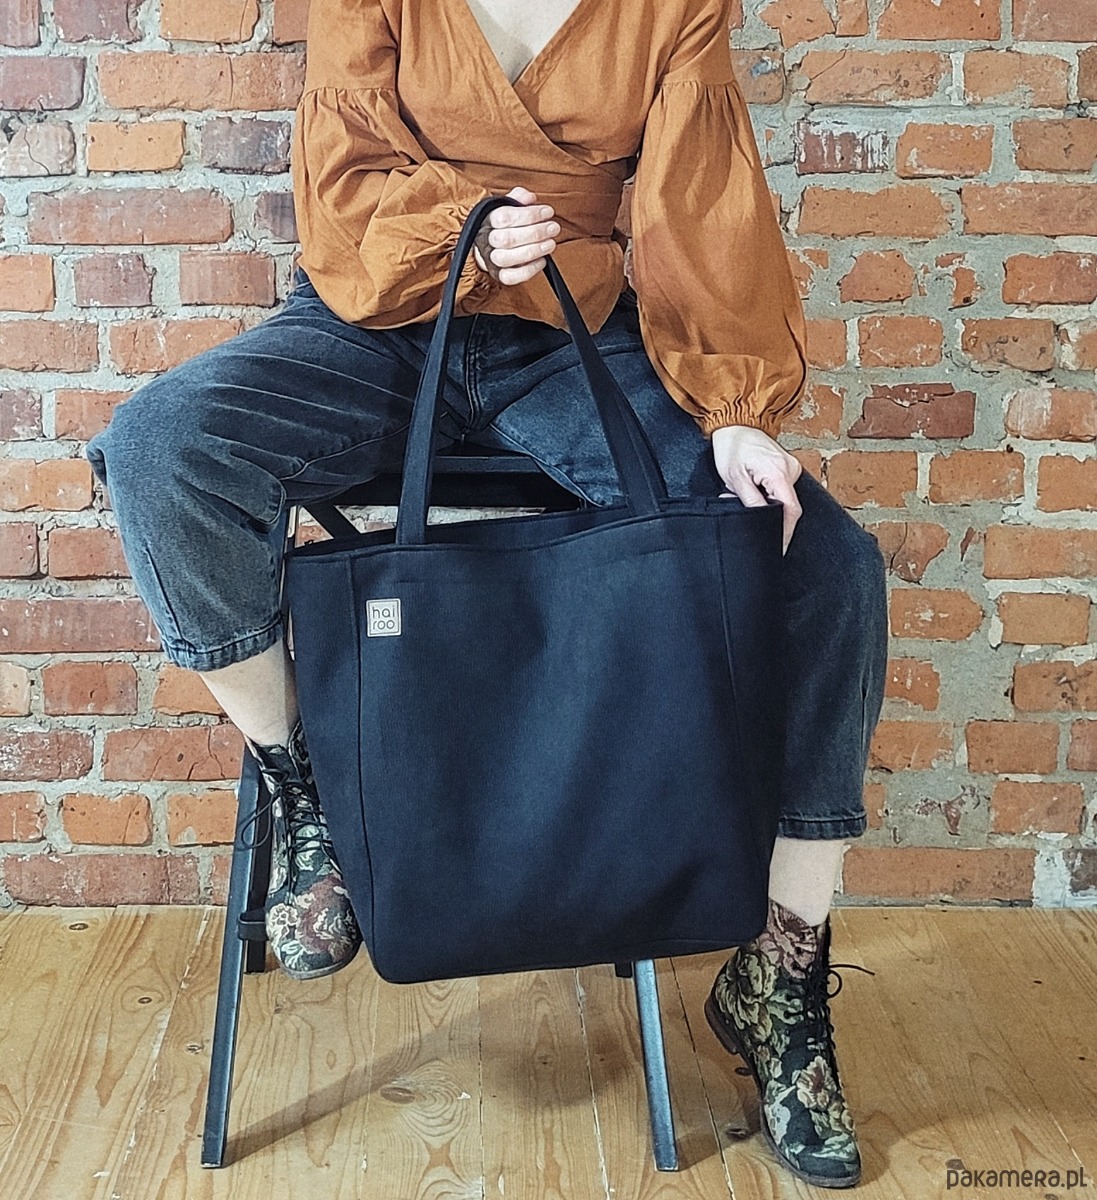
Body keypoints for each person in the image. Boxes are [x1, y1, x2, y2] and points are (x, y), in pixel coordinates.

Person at [85, 0, 888, 1187]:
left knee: (822, 567)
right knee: (161, 449)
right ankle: (310, 783)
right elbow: (341, 175)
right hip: (377, 318)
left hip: (578, 338)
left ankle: (780, 967)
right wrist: (457, 229)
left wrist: (732, 412)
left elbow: (699, 200)